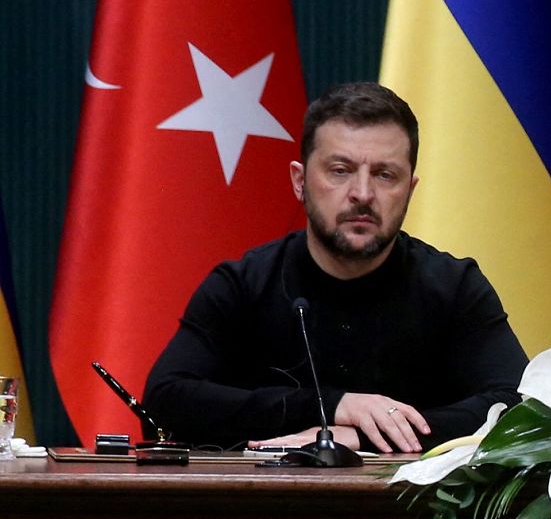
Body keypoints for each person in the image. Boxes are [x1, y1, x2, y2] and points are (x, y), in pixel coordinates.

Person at [145, 83, 527, 453]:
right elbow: (166, 399)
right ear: (300, 181)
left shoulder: (454, 287)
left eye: (384, 175)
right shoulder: (244, 284)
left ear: (409, 191)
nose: (362, 193)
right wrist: (331, 407)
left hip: (411, 514)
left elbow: (522, 409)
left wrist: (364, 436)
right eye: (340, 170)